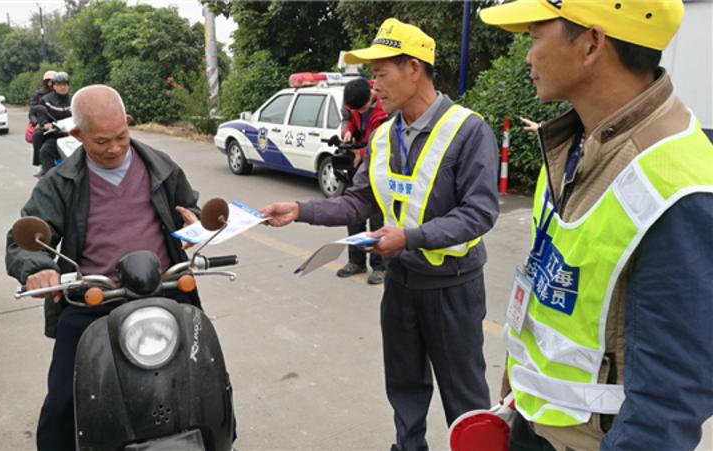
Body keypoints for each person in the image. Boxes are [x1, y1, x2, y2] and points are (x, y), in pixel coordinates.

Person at [480, 1, 713, 450]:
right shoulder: (578, 139)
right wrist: (517, 373)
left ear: (591, 43)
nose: (528, 56)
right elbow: (550, 272)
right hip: (535, 421)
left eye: (534, 35)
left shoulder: (679, 185)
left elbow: (667, 404)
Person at [261, 18, 500, 451]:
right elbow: (357, 202)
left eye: (381, 73)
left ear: (413, 68)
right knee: (404, 387)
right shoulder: (384, 136)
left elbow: (479, 214)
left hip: (453, 288)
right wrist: (299, 210)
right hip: (401, 284)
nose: (374, 86)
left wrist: (409, 238)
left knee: (464, 398)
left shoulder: (468, 130)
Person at [5, 85, 203, 451]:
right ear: (77, 135)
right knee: (65, 398)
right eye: (101, 142)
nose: (113, 148)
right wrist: (38, 267)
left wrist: (195, 226)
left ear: (128, 124)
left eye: (121, 137)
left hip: (165, 292)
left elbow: (189, 209)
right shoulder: (60, 182)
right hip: (94, 299)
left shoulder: (162, 167)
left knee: (207, 374)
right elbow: (24, 239)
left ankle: (224, 440)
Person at [337, 78, 389, 285]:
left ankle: (380, 266)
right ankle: (356, 261)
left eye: (363, 107)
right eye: (355, 108)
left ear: (372, 95)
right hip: (357, 162)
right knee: (353, 212)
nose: (359, 110)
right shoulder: (350, 98)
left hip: (381, 163)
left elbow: (386, 140)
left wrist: (362, 152)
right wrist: (347, 132)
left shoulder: (388, 104)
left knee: (377, 217)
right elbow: (347, 119)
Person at [33, 71, 72, 176]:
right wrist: (46, 123)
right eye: (59, 84)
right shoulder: (46, 100)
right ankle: (50, 178)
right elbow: (41, 114)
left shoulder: (75, 99)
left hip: (75, 135)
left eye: (65, 84)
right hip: (56, 134)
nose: (63, 87)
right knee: (45, 150)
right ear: (53, 86)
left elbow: (83, 113)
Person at [29, 70, 56, 175]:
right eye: (48, 81)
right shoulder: (39, 96)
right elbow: (33, 112)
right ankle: (41, 165)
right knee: (37, 136)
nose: (50, 83)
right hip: (44, 122)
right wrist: (37, 123)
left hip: (61, 123)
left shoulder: (64, 95)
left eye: (53, 81)